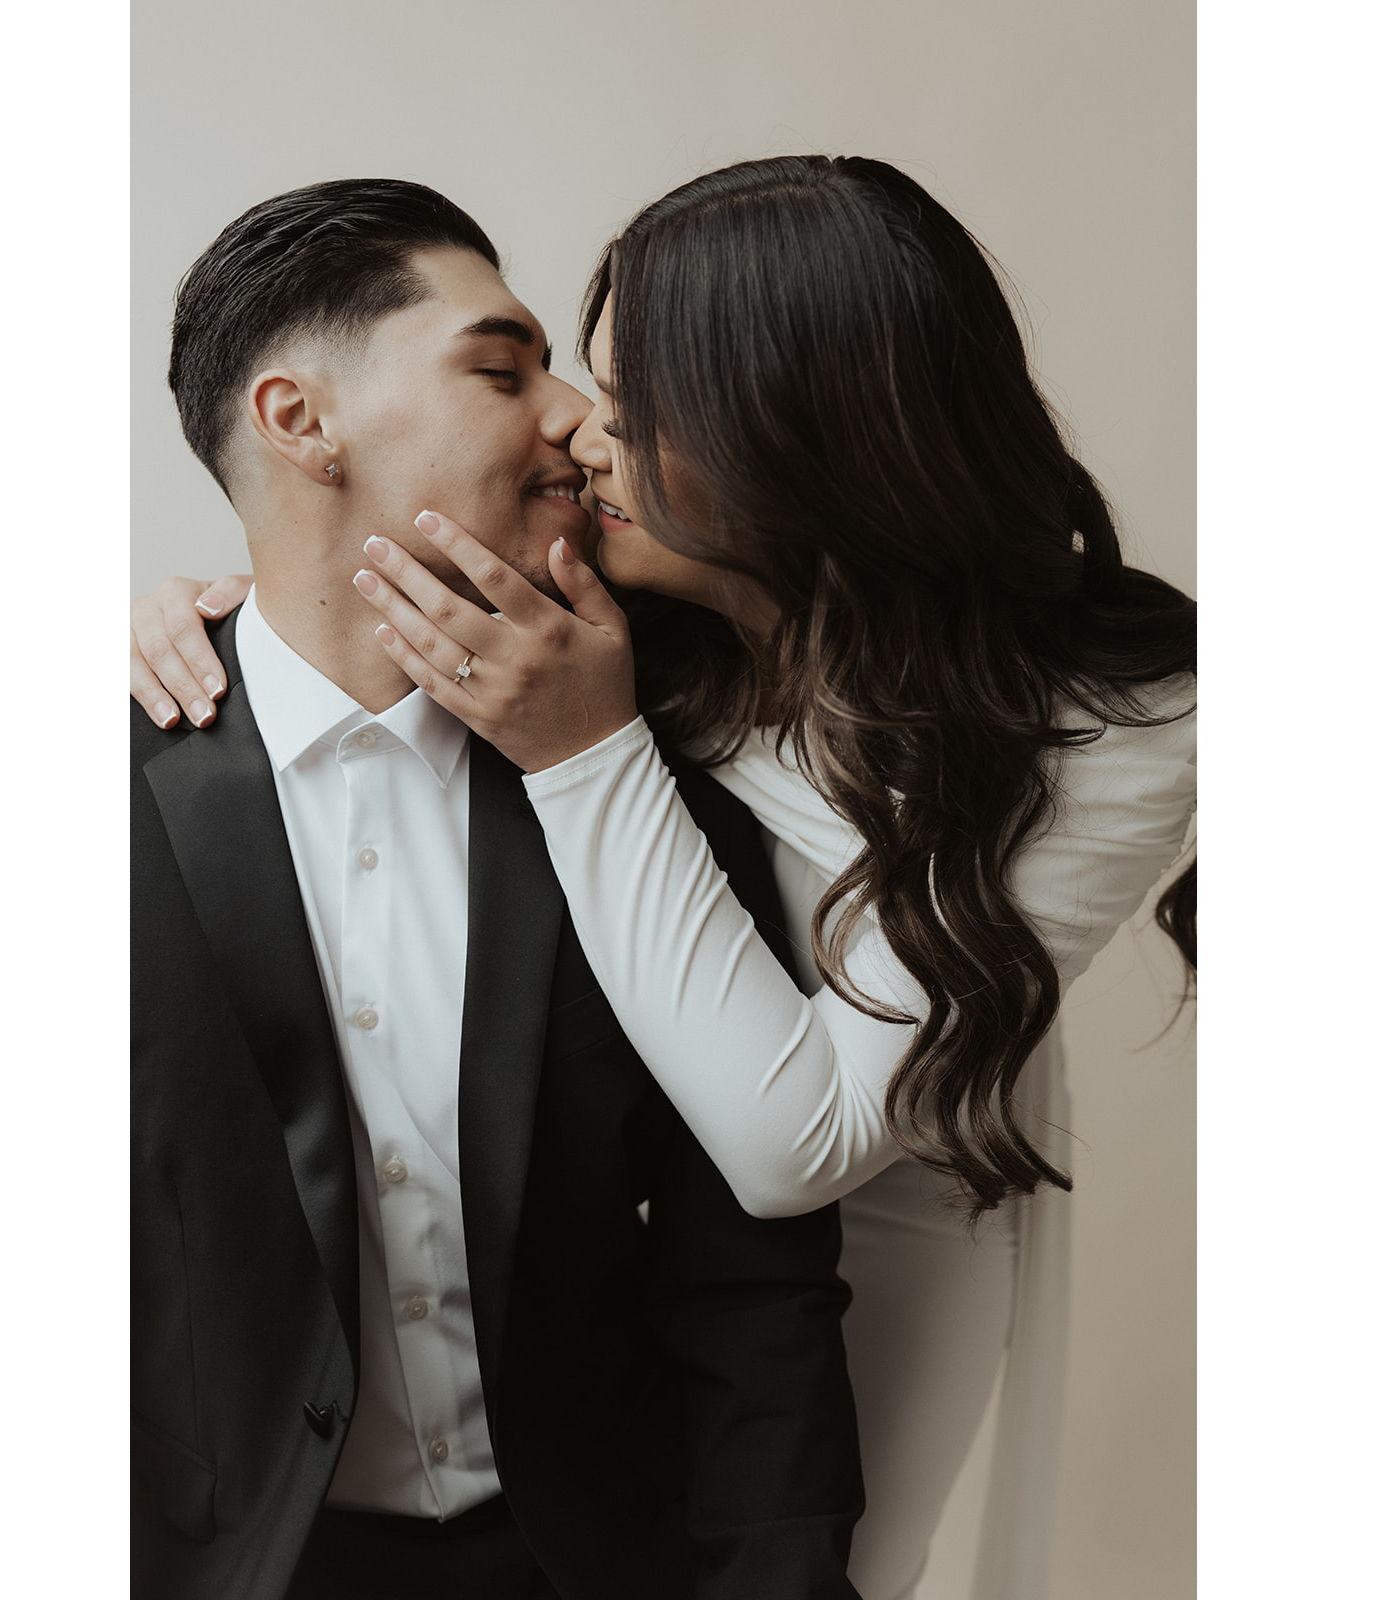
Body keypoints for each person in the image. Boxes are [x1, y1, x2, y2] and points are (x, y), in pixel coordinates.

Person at [132, 156, 1196, 1600]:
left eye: (638, 406)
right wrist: (210, 621)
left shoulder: (1108, 723)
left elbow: (789, 1161)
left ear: (793, 430)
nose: (582, 425)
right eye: (524, 372)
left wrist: (585, 754)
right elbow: (324, 591)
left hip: (888, 1160)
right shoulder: (613, 631)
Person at [131, 176, 865, 1600]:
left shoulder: (653, 780)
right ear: (300, 421)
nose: (577, 421)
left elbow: (748, 1287)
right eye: (501, 369)